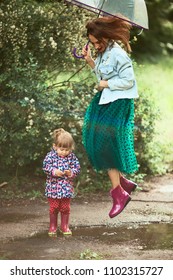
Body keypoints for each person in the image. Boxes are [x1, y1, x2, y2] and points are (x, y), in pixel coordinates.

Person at [82, 16, 138, 218]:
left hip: (118, 101)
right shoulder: (104, 53)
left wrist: (107, 84)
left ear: (106, 36)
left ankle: (119, 194)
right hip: (106, 99)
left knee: (104, 143)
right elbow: (102, 75)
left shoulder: (118, 54)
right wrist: (90, 61)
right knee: (96, 140)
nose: (96, 46)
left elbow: (128, 81)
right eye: (93, 43)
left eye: (98, 42)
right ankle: (122, 183)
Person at [43, 128, 80, 236]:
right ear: (55, 146)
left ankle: (64, 226)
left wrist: (71, 172)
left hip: (66, 188)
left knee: (65, 208)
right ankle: (53, 226)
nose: (64, 152)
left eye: (67, 149)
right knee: (54, 207)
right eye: (62, 149)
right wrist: (54, 172)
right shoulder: (50, 156)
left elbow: (77, 168)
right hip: (53, 188)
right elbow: (46, 167)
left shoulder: (72, 157)